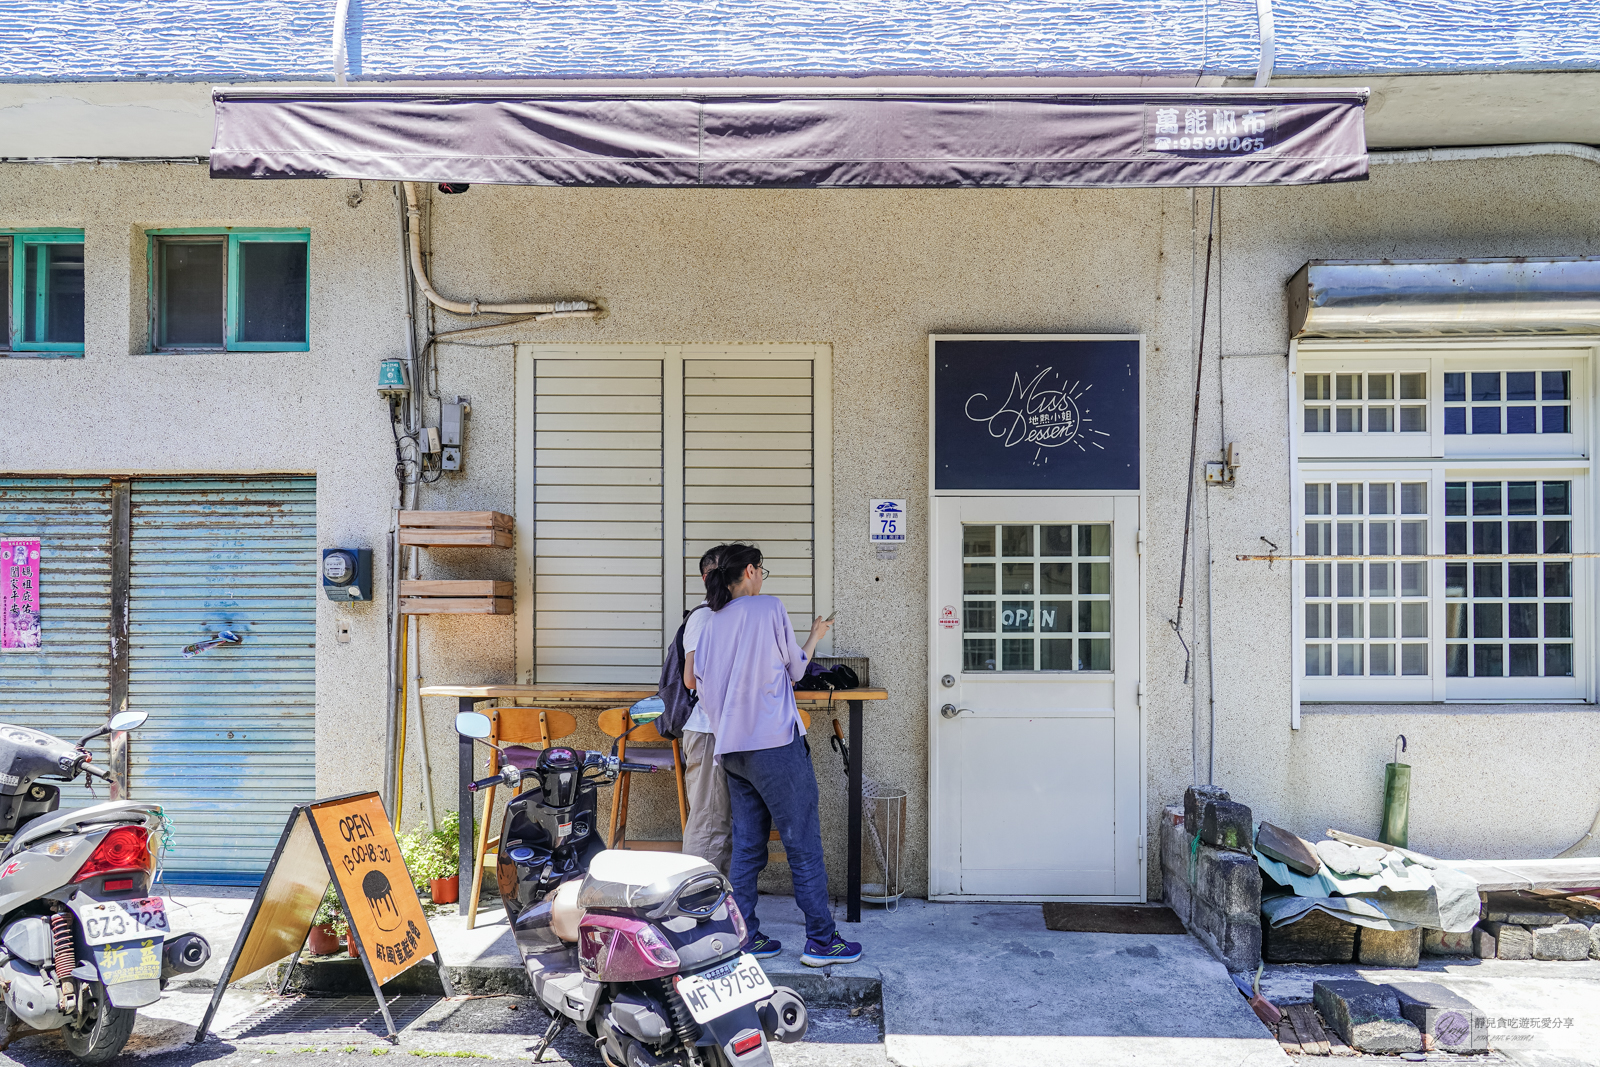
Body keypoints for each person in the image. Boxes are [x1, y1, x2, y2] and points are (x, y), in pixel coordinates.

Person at [693, 543, 862, 967]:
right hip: (775, 745)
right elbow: (797, 670)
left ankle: (743, 935)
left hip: (732, 750)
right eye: (761, 570)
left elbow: (704, 690)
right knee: (803, 842)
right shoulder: (768, 607)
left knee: (748, 846)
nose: (762, 577)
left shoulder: (710, 622)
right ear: (750, 571)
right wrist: (814, 637)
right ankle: (822, 941)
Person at [679, 545, 730, 874]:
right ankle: (696, 902)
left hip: (723, 731)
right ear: (707, 578)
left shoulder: (727, 615)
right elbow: (691, 678)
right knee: (708, 823)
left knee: (720, 820)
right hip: (707, 730)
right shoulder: (703, 616)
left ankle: (718, 903)